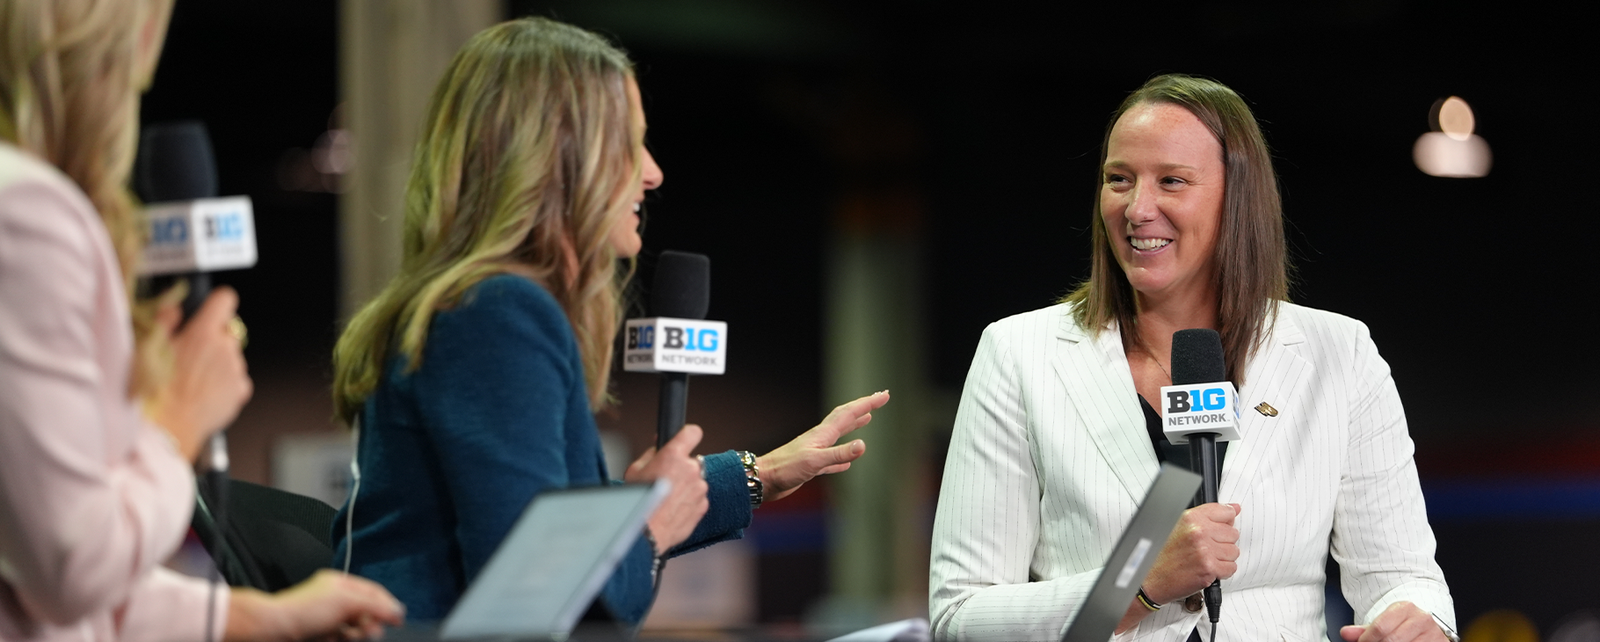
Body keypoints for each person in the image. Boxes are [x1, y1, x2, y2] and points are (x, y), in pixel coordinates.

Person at [329, 17, 890, 626]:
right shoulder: (496, 312)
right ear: (558, 159)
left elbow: (533, 529)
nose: (652, 172)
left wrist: (761, 475)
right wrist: (650, 532)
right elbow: (530, 591)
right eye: (629, 144)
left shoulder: (481, 306)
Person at [928, 74, 1456, 642]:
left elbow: (1404, 579)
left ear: (1238, 199)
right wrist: (1135, 584)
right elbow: (960, 617)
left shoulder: (1340, 353)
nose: (1137, 208)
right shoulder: (1018, 353)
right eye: (1119, 179)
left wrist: (1417, 624)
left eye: (1172, 181)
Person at [0, 1, 405, 640]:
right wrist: (179, 416)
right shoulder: (26, 211)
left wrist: (260, 617)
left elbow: (37, 571)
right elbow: (72, 566)